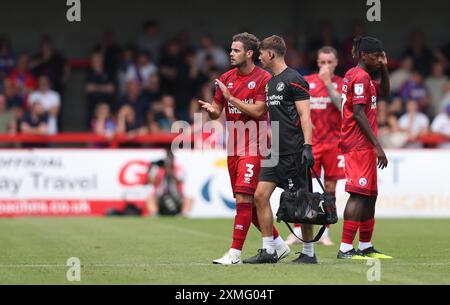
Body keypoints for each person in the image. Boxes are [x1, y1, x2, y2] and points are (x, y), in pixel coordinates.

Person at [199, 33, 289, 265]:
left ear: (249, 53)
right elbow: (218, 110)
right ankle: (279, 246)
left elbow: (259, 111)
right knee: (246, 204)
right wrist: (212, 110)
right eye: (231, 49)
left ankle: (234, 254)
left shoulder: (264, 79)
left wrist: (231, 98)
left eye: (236, 50)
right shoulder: (225, 78)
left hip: (255, 146)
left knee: (243, 199)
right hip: (233, 147)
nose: (231, 53)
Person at [243, 35, 317, 264]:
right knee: (260, 195)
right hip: (274, 152)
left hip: (294, 152)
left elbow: (306, 116)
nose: (259, 57)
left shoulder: (295, 79)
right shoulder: (270, 82)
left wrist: (307, 146)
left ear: (271, 54)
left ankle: (308, 253)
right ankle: (269, 250)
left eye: (261, 54)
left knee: (301, 203)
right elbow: (258, 111)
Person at [338, 36, 392, 260]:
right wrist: (378, 146)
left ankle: (366, 246)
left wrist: (385, 68)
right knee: (358, 196)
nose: (379, 59)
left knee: (370, 196)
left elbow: (385, 93)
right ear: (364, 55)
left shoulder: (361, 76)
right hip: (359, 144)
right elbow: (359, 113)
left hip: (364, 145)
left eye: (381, 56)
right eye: (376, 56)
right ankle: (345, 248)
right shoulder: (359, 77)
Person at [286, 46, 344, 247]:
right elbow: (296, 109)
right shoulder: (307, 82)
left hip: (334, 144)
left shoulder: (342, 84)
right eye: (322, 62)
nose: (326, 66)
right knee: (304, 187)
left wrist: (328, 84)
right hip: (311, 143)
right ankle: (298, 230)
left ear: (336, 63)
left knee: (330, 187)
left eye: (329, 62)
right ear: (317, 63)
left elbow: (343, 108)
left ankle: (325, 231)